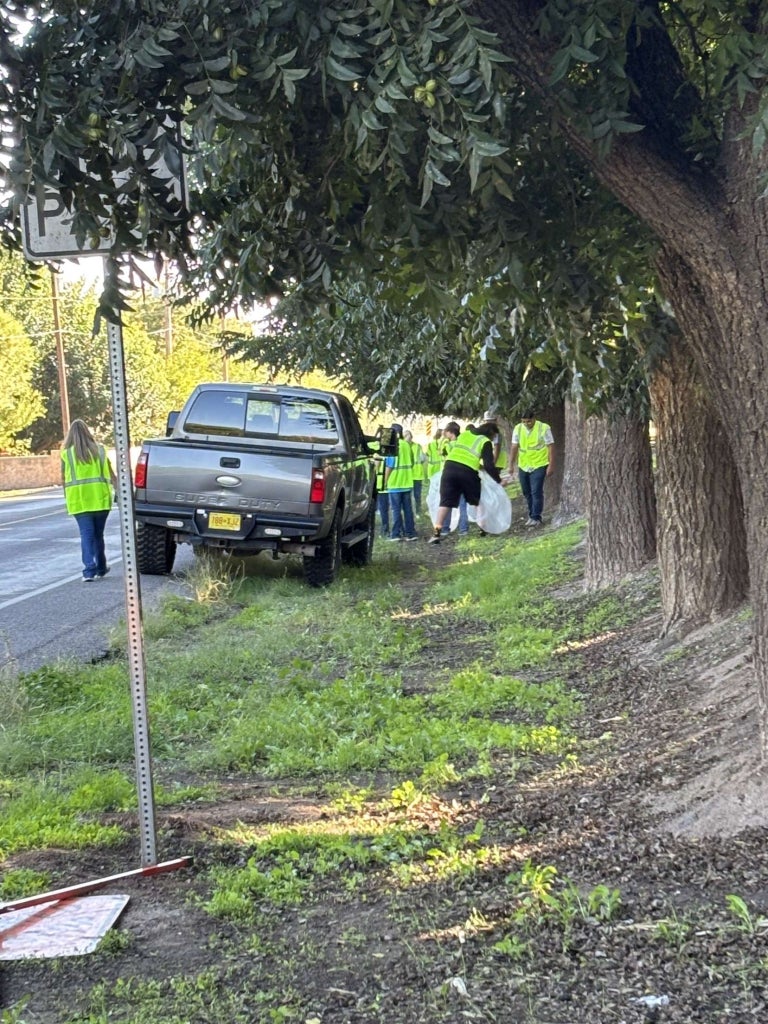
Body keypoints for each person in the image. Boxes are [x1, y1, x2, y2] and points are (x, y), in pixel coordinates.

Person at [61, 419, 117, 581]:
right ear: (88, 432)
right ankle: (101, 567)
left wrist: (67, 498)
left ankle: (89, 570)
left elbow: (64, 479)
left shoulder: (66, 454)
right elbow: (112, 475)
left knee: (86, 535)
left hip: (79, 502)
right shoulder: (100, 451)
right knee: (98, 535)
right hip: (100, 500)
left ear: (70, 435)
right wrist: (119, 492)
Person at [428, 422, 501, 543]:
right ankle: (483, 530)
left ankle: (436, 533)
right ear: (491, 433)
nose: (493, 439)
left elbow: (466, 455)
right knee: (477, 501)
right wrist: (498, 480)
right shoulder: (485, 441)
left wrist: (480, 467)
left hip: (449, 469)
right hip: (467, 472)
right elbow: (489, 465)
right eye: (494, 437)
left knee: (445, 503)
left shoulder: (465, 435)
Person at [510, 411, 555, 527]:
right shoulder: (518, 428)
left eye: (528, 421)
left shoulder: (543, 428)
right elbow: (514, 446)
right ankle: (531, 515)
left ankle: (536, 517)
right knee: (526, 492)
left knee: (536, 491)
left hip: (540, 463)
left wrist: (551, 464)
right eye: (523, 421)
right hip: (524, 464)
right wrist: (511, 464)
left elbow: (551, 446)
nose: (526, 424)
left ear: (534, 419)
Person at [384, 423, 418, 541]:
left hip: (395, 483)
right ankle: (411, 533)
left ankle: (396, 534)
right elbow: (412, 462)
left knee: (396, 510)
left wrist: (385, 481)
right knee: (408, 510)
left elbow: (390, 465)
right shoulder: (407, 445)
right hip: (407, 483)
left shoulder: (392, 445)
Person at [405, 430, 425, 516]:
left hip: (416, 475)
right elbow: (423, 459)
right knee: (411, 496)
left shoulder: (417, 446)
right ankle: (414, 512)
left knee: (415, 495)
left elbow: (422, 458)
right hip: (409, 475)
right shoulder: (406, 446)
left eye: (408, 436)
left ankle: (417, 511)